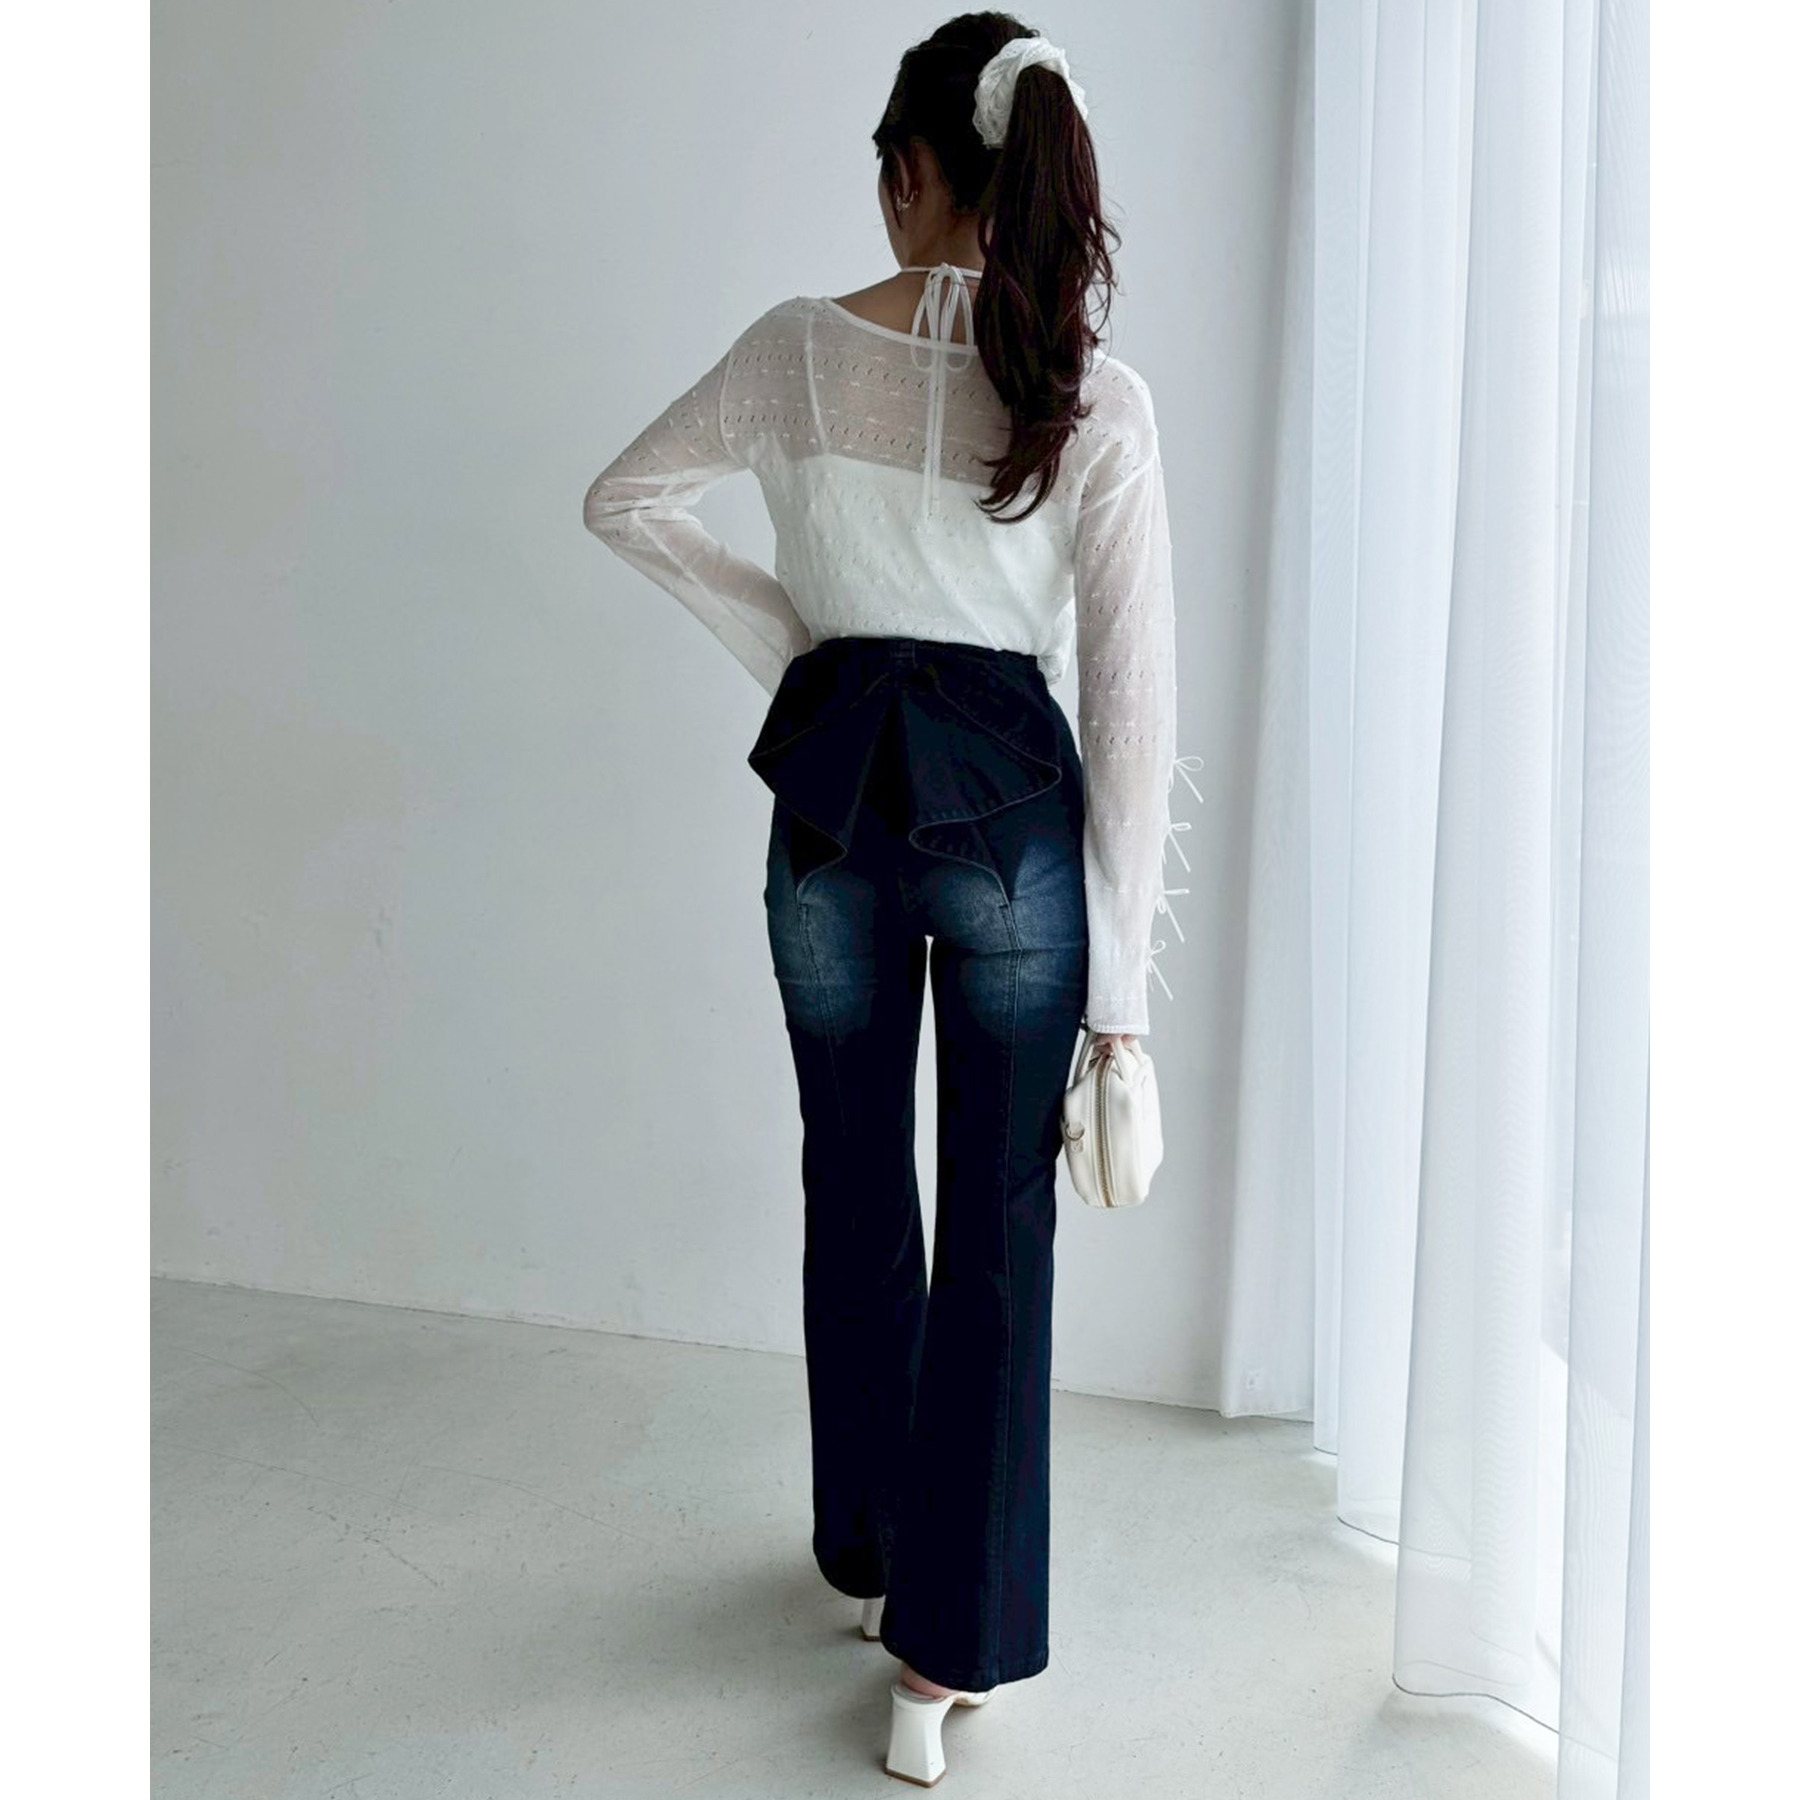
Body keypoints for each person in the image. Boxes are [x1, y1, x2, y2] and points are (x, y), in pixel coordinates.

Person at [583, 14, 1195, 1784]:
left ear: (913, 174)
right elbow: (1134, 713)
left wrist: (811, 656)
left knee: (851, 1180)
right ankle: (944, 1661)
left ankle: (870, 1554)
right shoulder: (1092, 396)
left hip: (836, 802)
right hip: (1009, 818)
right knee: (1000, 1224)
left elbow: (627, 500)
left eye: (888, 171)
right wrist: (1121, 1006)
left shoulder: (796, 351)